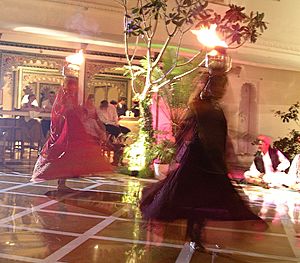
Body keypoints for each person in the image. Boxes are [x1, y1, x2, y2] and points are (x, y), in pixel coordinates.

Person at [140, 72, 267, 250]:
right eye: (219, 86)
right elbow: (184, 134)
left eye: (222, 86)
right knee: (189, 197)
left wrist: (226, 154)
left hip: (212, 161)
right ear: (208, 86)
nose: (221, 90)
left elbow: (222, 135)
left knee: (202, 199)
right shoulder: (199, 108)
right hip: (198, 159)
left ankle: (195, 234)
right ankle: (193, 233)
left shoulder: (214, 109)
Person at [31, 71, 112, 189]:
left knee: (69, 153)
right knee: (65, 152)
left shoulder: (68, 96)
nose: (74, 88)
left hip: (73, 128)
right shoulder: (66, 97)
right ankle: (62, 182)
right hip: (68, 129)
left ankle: (63, 182)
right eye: (72, 85)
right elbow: (66, 111)